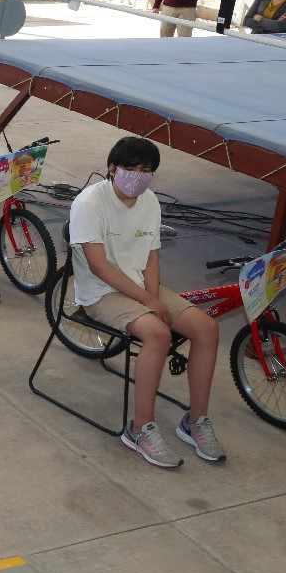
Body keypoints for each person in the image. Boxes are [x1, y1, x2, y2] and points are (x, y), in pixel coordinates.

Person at [69, 137, 224, 467]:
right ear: (112, 168)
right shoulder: (89, 203)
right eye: (131, 168)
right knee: (158, 334)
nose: (138, 177)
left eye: (146, 170)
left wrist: (152, 297)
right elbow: (98, 266)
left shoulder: (150, 201)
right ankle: (139, 429)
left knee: (206, 328)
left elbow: (151, 255)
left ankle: (195, 421)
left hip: (140, 286)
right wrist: (148, 302)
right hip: (100, 292)